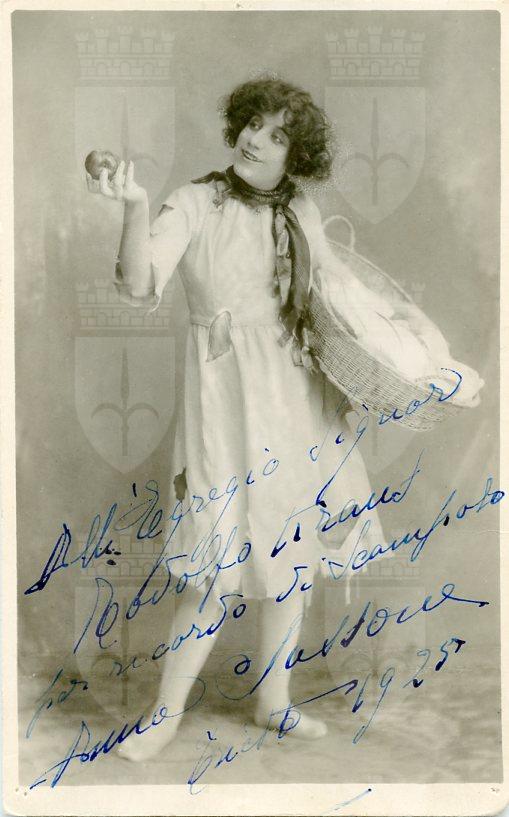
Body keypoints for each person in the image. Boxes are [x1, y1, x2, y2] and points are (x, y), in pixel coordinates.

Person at [86, 77, 481, 761]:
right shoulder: (195, 201)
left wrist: (410, 353)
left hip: (298, 402)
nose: (255, 141)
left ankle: (273, 702)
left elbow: (339, 298)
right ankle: (163, 715)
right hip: (226, 405)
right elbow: (139, 282)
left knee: (292, 556)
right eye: (251, 125)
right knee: (216, 564)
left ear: (294, 153)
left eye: (275, 135)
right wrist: (135, 206)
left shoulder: (300, 208)